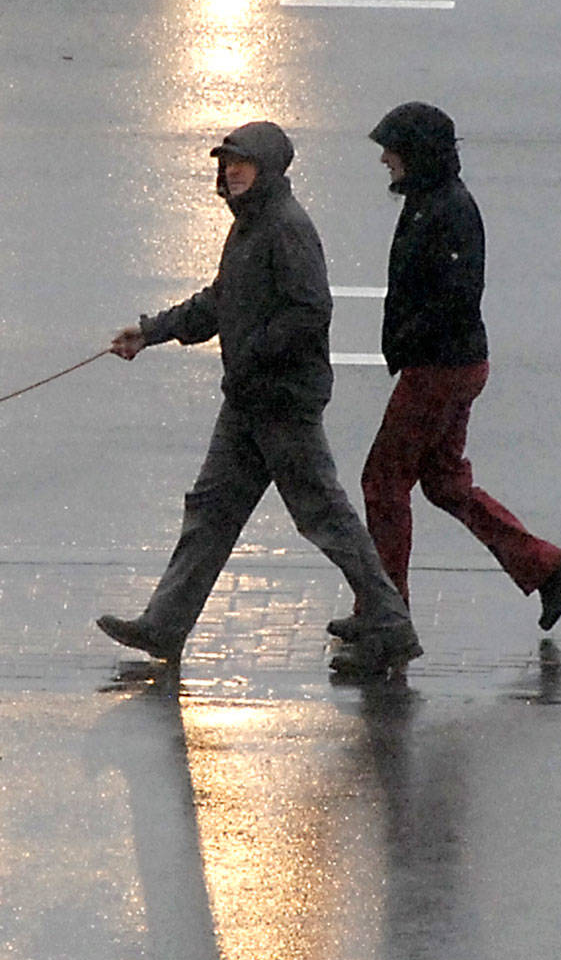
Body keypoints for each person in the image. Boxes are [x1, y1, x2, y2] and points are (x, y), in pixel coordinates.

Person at [97, 120, 422, 679]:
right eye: (226, 164)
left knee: (325, 517)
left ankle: (391, 626)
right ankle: (165, 626)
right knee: (211, 513)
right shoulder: (249, 227)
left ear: (268, 169)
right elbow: (220, 301)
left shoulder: (285, 228)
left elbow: (310, 310)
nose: (230, 172)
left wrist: (253, 352)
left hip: (282, 403)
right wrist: (150, 333)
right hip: (248, 401)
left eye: (240, 163)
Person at [336, 102, 561, 642]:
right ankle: (545, 564)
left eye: (392, 150)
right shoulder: (431, 200)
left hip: (440, 368)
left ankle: (386, 613)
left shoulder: (447, 209)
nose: (383, 159)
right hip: (451, 363)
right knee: (445, 483)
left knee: (382, 482)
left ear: (418, 155)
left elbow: (452, 296)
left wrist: (406, 343)